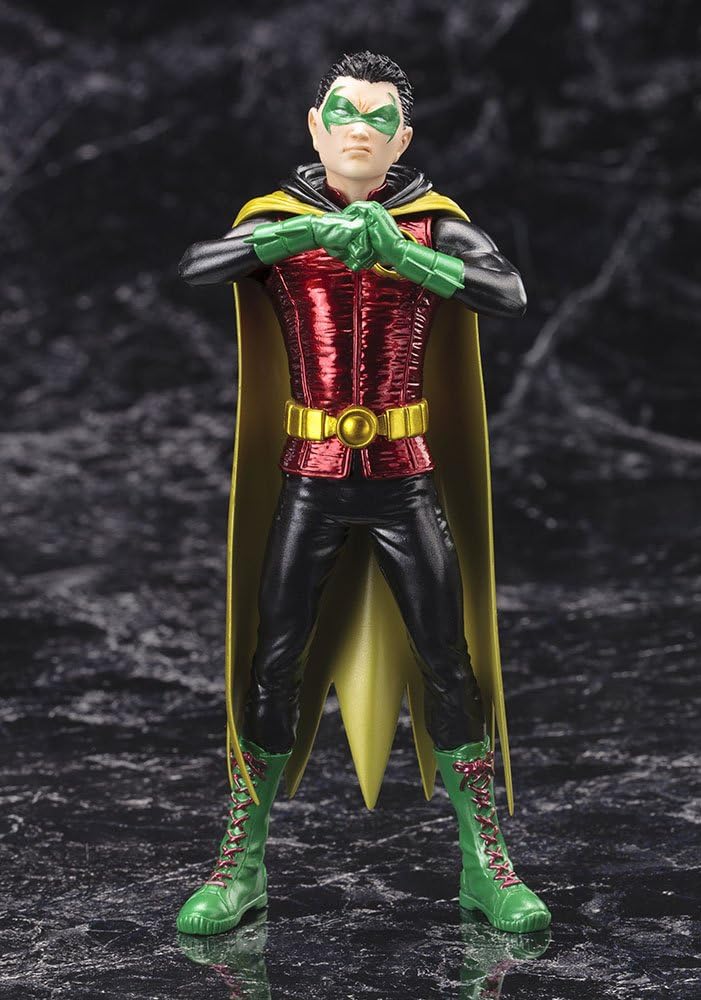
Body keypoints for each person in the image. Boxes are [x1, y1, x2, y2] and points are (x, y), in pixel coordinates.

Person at [175, 50, 551, 936]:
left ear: (402, 139)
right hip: (308, 479)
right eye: (343, 112)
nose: (359, 129)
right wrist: (286, 241)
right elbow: (197, 265)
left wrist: (404, 256)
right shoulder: (277, 219)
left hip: (402, 477)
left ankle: (485, 866)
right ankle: (240, 864)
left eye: (380, 118)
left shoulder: (432, 223)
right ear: (315, 126)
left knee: (447, 661)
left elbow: (507, 292)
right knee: (272, 661)